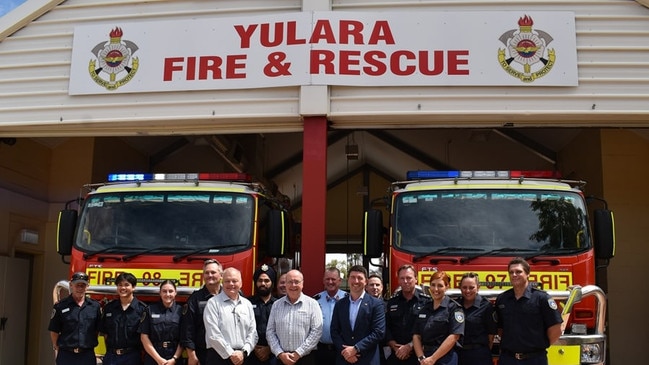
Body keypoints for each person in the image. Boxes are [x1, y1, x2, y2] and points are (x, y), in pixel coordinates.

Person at [495, 258, 563, 365]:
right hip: (508, 359)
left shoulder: (542, 299)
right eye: (511, 272)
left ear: (528, 274)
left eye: (518, 272)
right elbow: (500, 329)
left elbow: (556, 329)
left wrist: (538, 346)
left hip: (534, 359)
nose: (514, 275)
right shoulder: (502, 299)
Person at [330, 265, 386, 365]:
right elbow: (334, 331)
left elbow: (378, 332)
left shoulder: (376, 304)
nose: (356, 281)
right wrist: (346, 352)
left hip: (368, 359)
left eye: (360, 278)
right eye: (353, 277)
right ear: (348, 280)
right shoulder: (340, 304)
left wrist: (356, 349)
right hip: (344, 359)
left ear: (366, 281)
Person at [266, 269, 323, 365]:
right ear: (286, 284)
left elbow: (317, 331)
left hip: (305, 359)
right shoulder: (276, 305)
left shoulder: (312, 304)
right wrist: (280, 353)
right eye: (290, 282)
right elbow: (270, 331)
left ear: (302, 284)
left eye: (296, 282)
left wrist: (298, 353)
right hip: (281, 359)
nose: (293, 285)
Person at [204, 267, 258, 365]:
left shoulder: (247, 304)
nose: (231, 284)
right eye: (227, 281)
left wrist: (244, 352)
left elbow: (253, 332)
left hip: (243, 358)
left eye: (234, 281)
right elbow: (213, 334)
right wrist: (230, 353)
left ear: (241, 283)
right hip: (219, 357)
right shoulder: (212, 303)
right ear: (222, 283)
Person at [49, 272, 102, 365]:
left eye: (83, 285)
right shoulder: (60, 306)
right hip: (66, 355)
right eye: (77, 285)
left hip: (87, 355)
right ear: (71, 285)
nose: (80, 288)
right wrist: (56, 347)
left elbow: (96, 330)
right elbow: (54, 330)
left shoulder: (95, 306)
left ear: (87, 286)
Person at [413, 271, 464, 365]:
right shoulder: (424, 308)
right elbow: (416, 335)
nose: (436, 289)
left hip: (445, 358)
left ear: (447, 287)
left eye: (440, 286)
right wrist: (421, 358)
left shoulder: (454, 308)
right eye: (433, 285)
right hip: (425, 358)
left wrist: (433, 359)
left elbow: (454, 336)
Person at [99, 272, 148, 365]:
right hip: (111, 357)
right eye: (120, 285)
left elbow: (145, 336)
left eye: (126, 285)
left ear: (133, 287)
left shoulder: (142, 309)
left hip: (132, 357)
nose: (123, 288)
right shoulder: (109, 308)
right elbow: (105, 333)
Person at [385, 265, 430, 365]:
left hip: (418, 356)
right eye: (402, 278)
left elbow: (428, 329)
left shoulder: (426, 302)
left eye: (409, 278)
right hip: (396, 354)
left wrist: (410, 346)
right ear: (399, 281)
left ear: (416, 279)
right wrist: (393, 345)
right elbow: (386, 327)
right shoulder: (392, 302)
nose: (405, 281)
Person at [181, 259, 223, 365]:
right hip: (204, 353)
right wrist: (191, 355)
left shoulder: (230, 296)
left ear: (221, 275)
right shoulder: (195, 299)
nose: (210, 275)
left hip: (228, 353)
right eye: (206, 273)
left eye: (213, 272)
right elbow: (187, 328)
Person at [139, 279, 184, 365]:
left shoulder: (181, 311)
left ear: (175, 293)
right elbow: (144, 337)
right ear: (160, 293)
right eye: (164, 291)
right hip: (153, 357)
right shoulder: (150, 310)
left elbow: (183, 338)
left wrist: (174, 359)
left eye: (170, 291)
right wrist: (158, 359)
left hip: (174, 357)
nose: (167, 294)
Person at [457, 273, 497, 365]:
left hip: (479, 355)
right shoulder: (456, 305)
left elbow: (491, 337)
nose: (467, 291)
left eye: (471, 287)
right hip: (459, 354)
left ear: (478, 287)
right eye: (464, 287)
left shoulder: (486, 306)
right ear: (460, 288)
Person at [314, 267, 347, 365]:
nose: (330, 282)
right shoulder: (315, 300)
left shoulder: (349, 299)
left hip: (342, 349)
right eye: (327, 279)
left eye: (333, 279)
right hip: (321, 350)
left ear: (339, 281)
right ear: (323, 281)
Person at [248, 264, 279, 365]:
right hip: (251, 353)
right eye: (260, 280)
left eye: (267, 281)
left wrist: (269, 349)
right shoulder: (246, 303)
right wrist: (253, 347)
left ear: (272, 283)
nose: (263, 283)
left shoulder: (279, 304)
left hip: (274, 354)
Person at [365, 274, 387, 365]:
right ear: (366, 287)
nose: (375, 288)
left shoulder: (389, 305)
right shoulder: (360, 306)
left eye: (377, 285)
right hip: (367, 348)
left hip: (386, 348)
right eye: (371, 285)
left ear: (382, 287)